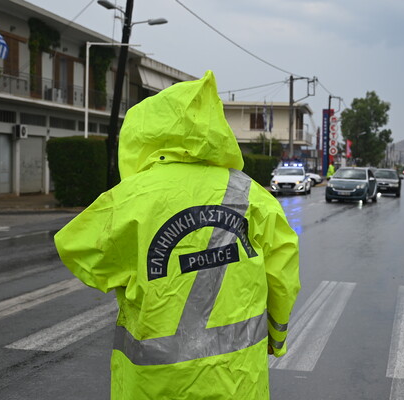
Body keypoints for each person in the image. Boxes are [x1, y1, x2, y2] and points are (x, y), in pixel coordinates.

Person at [54, 71, 300, 399]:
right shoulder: (252, 196)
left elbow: (75, 248)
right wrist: (277, 340)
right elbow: (282, 280)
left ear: (145, 135)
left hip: (155, 387)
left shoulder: (130, 199)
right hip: (238, 383)